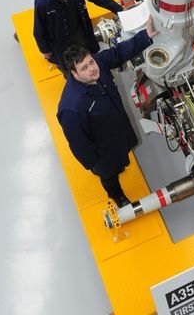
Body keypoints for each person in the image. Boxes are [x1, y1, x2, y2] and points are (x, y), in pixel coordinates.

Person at [57, 16, 157, 208]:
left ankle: (116, 166)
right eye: (84, 68)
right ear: (74, 74)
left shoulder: (98, 64)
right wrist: (96, 164)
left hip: (119, 129)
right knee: (110, 175)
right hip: (103, 151)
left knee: (121, 159)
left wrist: (146, 36)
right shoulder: (71, 107)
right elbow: (79, 145)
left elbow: (119, 53)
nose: (92, 69)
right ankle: (116, 195)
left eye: (91, 62)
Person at [33, 0, 123, 73]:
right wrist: (44, 50)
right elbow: (38, 28)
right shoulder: (42, 2)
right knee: (70, 73)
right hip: (60, 45)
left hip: (81, 36)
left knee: (92, 64)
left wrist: (121, 11)